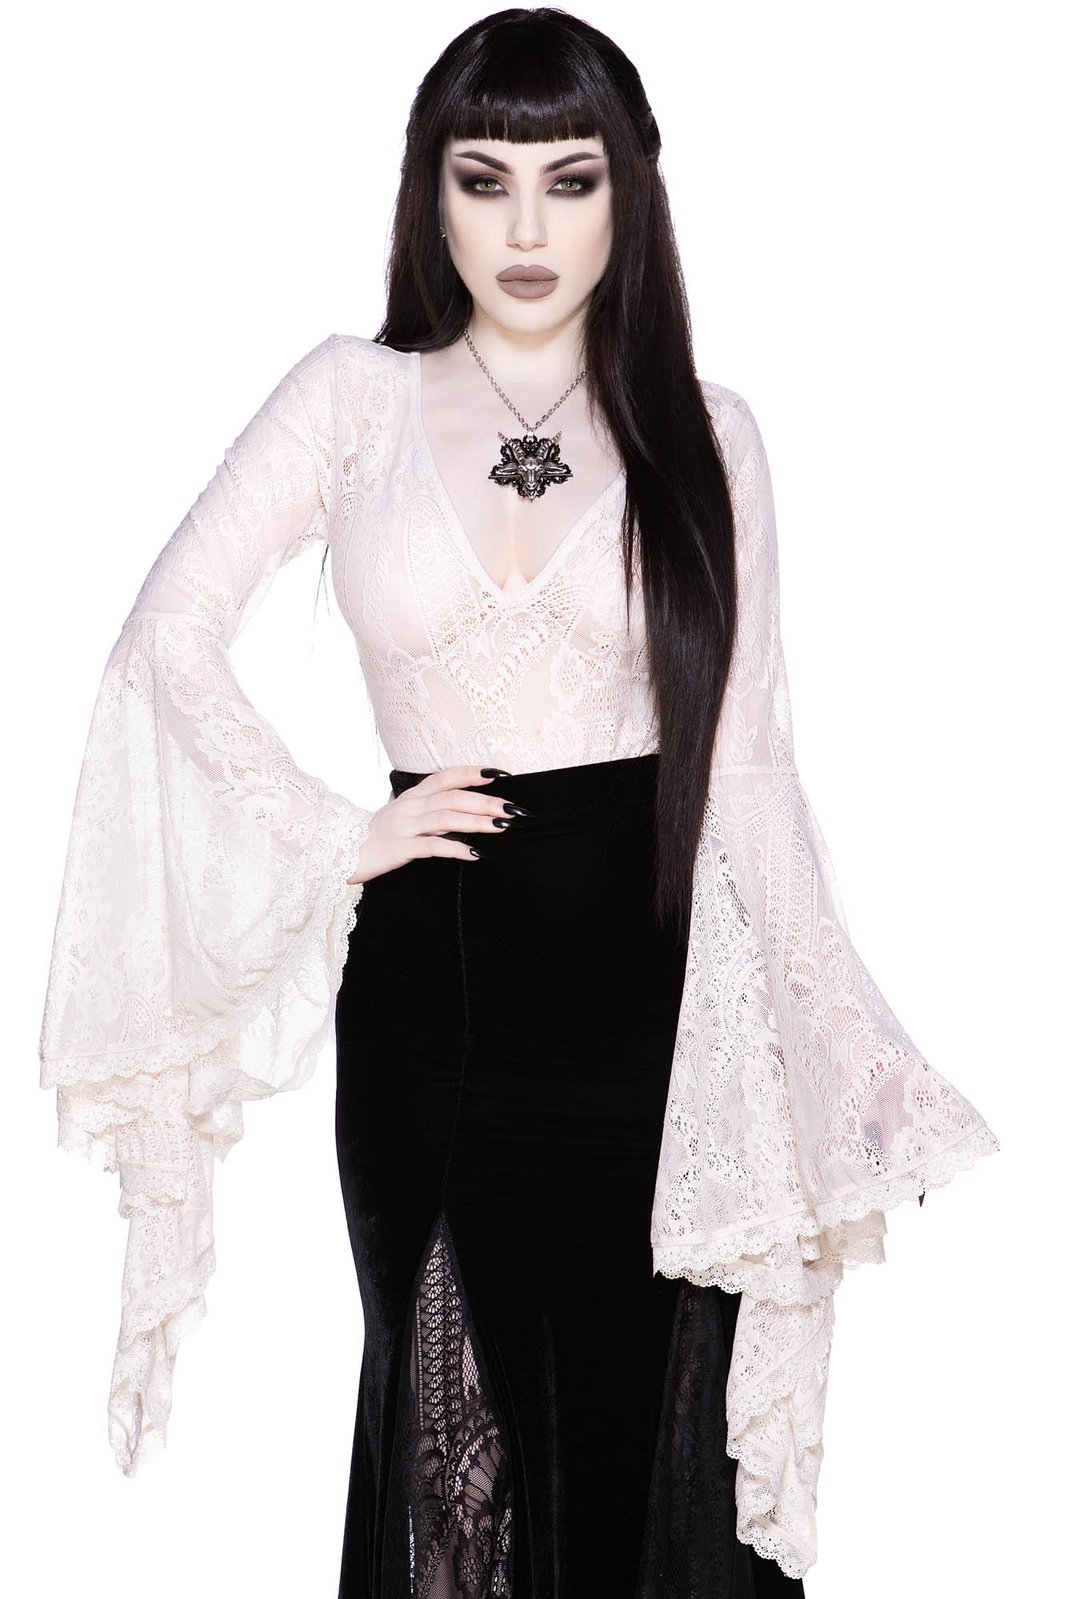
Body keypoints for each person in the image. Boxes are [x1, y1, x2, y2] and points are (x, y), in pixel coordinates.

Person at [37, 8, 1001, 1597]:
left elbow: (749, 769)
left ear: (631, 193)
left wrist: (847, 1046)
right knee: (449, 1462)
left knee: (637, 1456)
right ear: (432, 197)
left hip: (649, 1017)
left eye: (571, 180)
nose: (528, 229)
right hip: (434, 1010)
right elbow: (165, 640)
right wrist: (334, 836)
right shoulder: (349, 399)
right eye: (484, 181)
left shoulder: (708, 434)